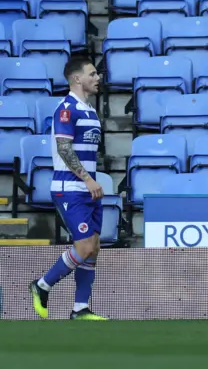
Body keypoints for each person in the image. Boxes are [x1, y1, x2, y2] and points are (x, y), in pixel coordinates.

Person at [29, 58, 106, 321]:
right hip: (70, 187)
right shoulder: (66, 109)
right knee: (83, 247)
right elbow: (64, 147)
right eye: (92, 73)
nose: (98, 77)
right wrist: (87, 179)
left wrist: (91, 182)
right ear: (76, 79)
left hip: (88, 188)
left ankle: (80, 309)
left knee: (93, 247)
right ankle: (42, 285)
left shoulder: (90, 110)